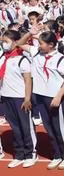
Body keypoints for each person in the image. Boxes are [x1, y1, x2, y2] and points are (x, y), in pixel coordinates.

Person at [20, 31, 64, 170]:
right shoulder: (36, 53)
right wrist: (31, 33)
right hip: (39, 96)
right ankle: (57, 154)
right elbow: (19, 44)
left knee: (59, 127)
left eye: (42, 43)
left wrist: (58, 96)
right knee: (48, 127)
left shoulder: (60, 59)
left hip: (54, 97)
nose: (39, 45)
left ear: (51, 45)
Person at [0, 29, 37, 168]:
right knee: (14, 127)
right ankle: (19, 154)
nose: (3, 44)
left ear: (15, 43)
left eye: (6, 42)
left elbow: (28, 80)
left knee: (26, 126)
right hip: (6, 97)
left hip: (20, 98)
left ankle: (31, 153)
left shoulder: (22, 59)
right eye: (2, 41)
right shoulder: (3, 57)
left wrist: (27, 98)